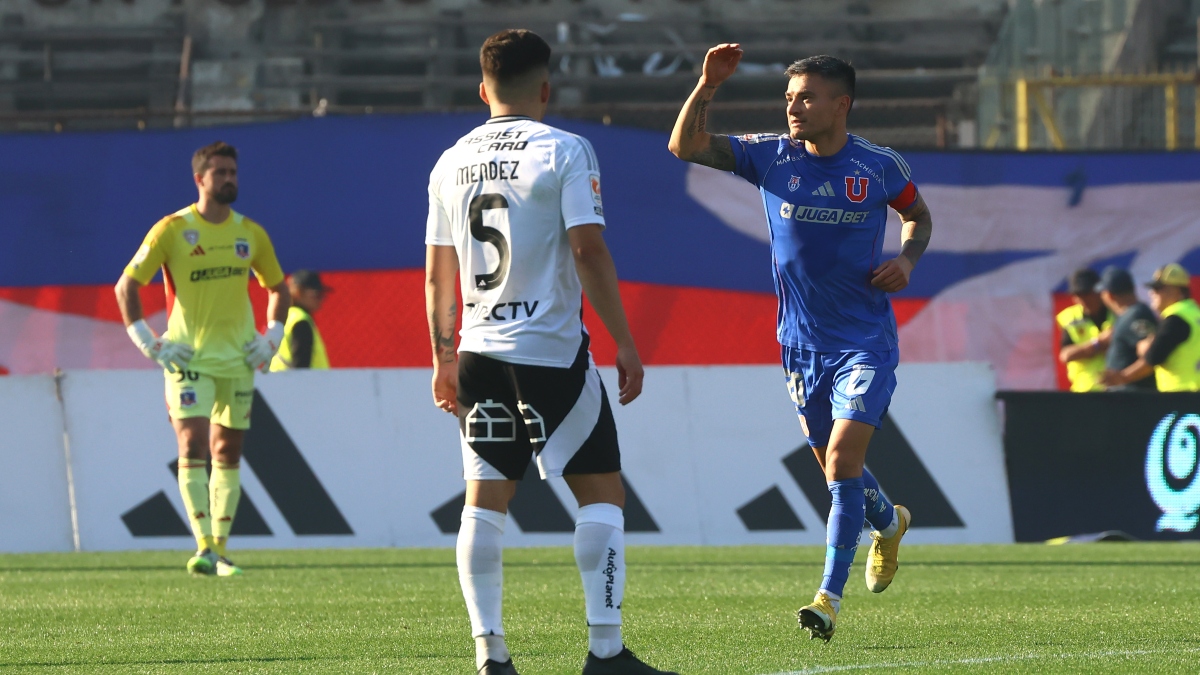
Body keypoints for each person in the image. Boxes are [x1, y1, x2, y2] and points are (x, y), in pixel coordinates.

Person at [424, 29, 675, 675]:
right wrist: (623, 339)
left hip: (477, 352)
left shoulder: (449, 161)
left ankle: (491, 655)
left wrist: (442, 356)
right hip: (551, 352)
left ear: (483, 89)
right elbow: (588, 249)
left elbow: (437, 274)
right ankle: (605, 650)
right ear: (545, 87)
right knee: (602, 496)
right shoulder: (565, 148)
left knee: (484, 501)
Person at [668, 46, 930, 642]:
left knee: (841, 462)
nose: (794, 107)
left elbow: (919, 217)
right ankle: (889, 525)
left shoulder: (878, 166)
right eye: (789, 97)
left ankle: (827, 600)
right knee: (843, 475)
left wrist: (908, 260)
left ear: (842, 104)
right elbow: (684, 146)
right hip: (800, 345)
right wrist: (707, 85)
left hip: (864, 340)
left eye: (807, 97)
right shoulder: (769, 156)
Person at [115, 141, 290, 577]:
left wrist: (272, 336)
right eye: (221, 173)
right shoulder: (172, 230)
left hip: (237, 359)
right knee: (192, 445)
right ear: (200, 179)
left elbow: (278, 289)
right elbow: (126, 287)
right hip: (187, 357)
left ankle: (222, 551)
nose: (230, 178)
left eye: (233, 171)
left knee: (228, 451)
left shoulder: (250, 232)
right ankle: (204, 547)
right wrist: (148, 341)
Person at [1104, 263, 1200, 391]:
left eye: (1157, 288)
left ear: (1175, 290)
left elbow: (1153, 357)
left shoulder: (1176, 319)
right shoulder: (1193, 313)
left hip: (1181, 394)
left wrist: (1121, 377)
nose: (1151, 293)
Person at [1096, 266, 1157, 391]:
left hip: (1136, 398)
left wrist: (1123, 377)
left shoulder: (1136, 315)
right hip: (1127, 397)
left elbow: (1153, 355)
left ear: (1109, 295)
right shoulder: (1128, 315)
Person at [1057, 268, 1113, 392]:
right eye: (1078, 295)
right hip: (1085, 390)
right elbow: (1066, 355)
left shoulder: (1117, 312)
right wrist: (1098, 344)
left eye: (1087, 293)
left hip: (1118, 389)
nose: (1083, 299)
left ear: (1099, 291)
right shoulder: (1070, 318)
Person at [269, 269, 331, 371]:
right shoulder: (301, 321)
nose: (321, 299)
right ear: (298, 292)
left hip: (280, 382)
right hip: (307, 385)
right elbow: (301, 370)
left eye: (322, 294)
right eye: (316, 294)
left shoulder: (286, 316)